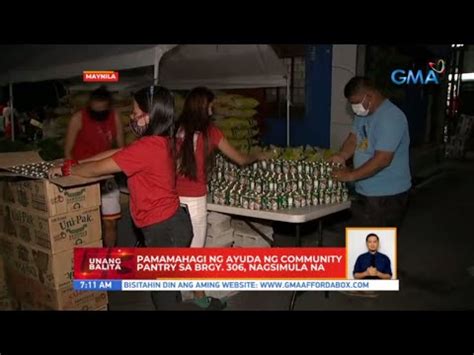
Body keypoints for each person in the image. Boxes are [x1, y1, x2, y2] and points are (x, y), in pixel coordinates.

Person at [50, 86, 194, 310]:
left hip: (164, 231)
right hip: (172, 224)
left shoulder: (147, 147)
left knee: (163, 295)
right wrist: (77, 163)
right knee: (166, 287)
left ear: (150, 115)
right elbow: (116, 154)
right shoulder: (161, 140)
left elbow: (99, 168)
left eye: (136, 114)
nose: (132, 119)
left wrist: (69, 170)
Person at [175, 87, 268, 310]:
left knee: (180, 247)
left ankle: (177, 291)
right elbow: (240, 159)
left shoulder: (177, 130)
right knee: (195, 250)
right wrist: (258, 154)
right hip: (195, 199)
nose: (212, 109)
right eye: (210, 105)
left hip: (174, 196)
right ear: (202, 106)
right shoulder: (211, 132)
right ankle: (201, 298)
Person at [330, 76, 411, 228]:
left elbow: (383, 159)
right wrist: (342, 156)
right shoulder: (363, 115)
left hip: (386, 195)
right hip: (366, 191)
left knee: (377, 245)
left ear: (370, 96)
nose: (354, 107)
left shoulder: (391, 117)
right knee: (364, 242)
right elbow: (353, 139)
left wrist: (351, 175)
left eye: (355, 102)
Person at [63, 86, 124, 247]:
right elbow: (68, 151)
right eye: (95, 111)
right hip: (83, 175)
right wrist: (72, 178)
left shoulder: (114, 117)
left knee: (110, 222)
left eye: (102, 112)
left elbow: (121, 148)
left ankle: (108, 259)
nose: (99, 115)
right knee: (87, 223)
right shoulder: (78, 118)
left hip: (106, 174)